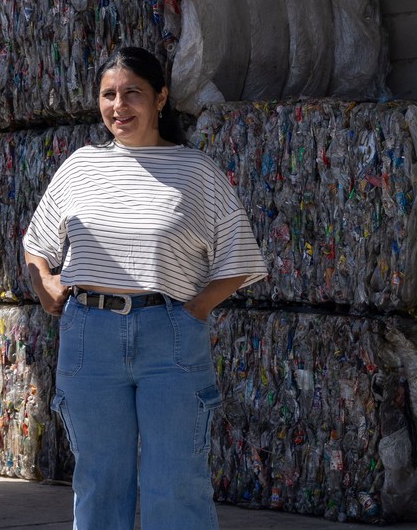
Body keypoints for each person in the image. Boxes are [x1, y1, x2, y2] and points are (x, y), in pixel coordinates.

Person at [23, 46, 268, 529]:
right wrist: (46, 283)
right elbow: (37, 244)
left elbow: (239, 256)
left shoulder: (196, 171)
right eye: (108, 95)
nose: (119, 106)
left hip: (170, 338)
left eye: (132, 93)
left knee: (176, 481)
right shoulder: (80, 168)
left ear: (160, 98)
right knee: (99, 480)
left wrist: (195, 308)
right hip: (89, 339)